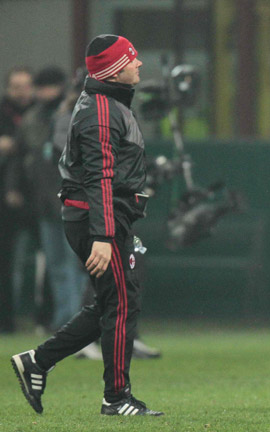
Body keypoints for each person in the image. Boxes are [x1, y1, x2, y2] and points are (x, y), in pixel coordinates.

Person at [10, 34, 163, 416]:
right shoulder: (100, 110)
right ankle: (116, 398)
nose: (139, 63)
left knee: (114, 302)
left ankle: (38, 362)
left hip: (102, 217)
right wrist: (103, 235)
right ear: (114, 70)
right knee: (121, 304)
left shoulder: (107, 104)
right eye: (131, 58)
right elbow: (100, 178)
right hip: (97, 220)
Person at [8, 66, 89, 331]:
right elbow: (20, 156)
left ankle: (77, 318)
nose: (44, 93)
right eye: (40, 87)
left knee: (75, 264)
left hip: (71, 201)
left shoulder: (73, 114)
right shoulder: (33, 118)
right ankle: (65, 318)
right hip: (44, 201)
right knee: (56, 266)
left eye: (48, 87)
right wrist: (14, 187)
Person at [0, 66, 34, 333]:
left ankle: (49, 318)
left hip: (39, 195)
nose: (21, 92)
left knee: (54, 262)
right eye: (16, 87)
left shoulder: (41, 113)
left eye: (25, 86)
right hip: (6, 197)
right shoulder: (3, 112)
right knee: (8, 261)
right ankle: (6, 319)